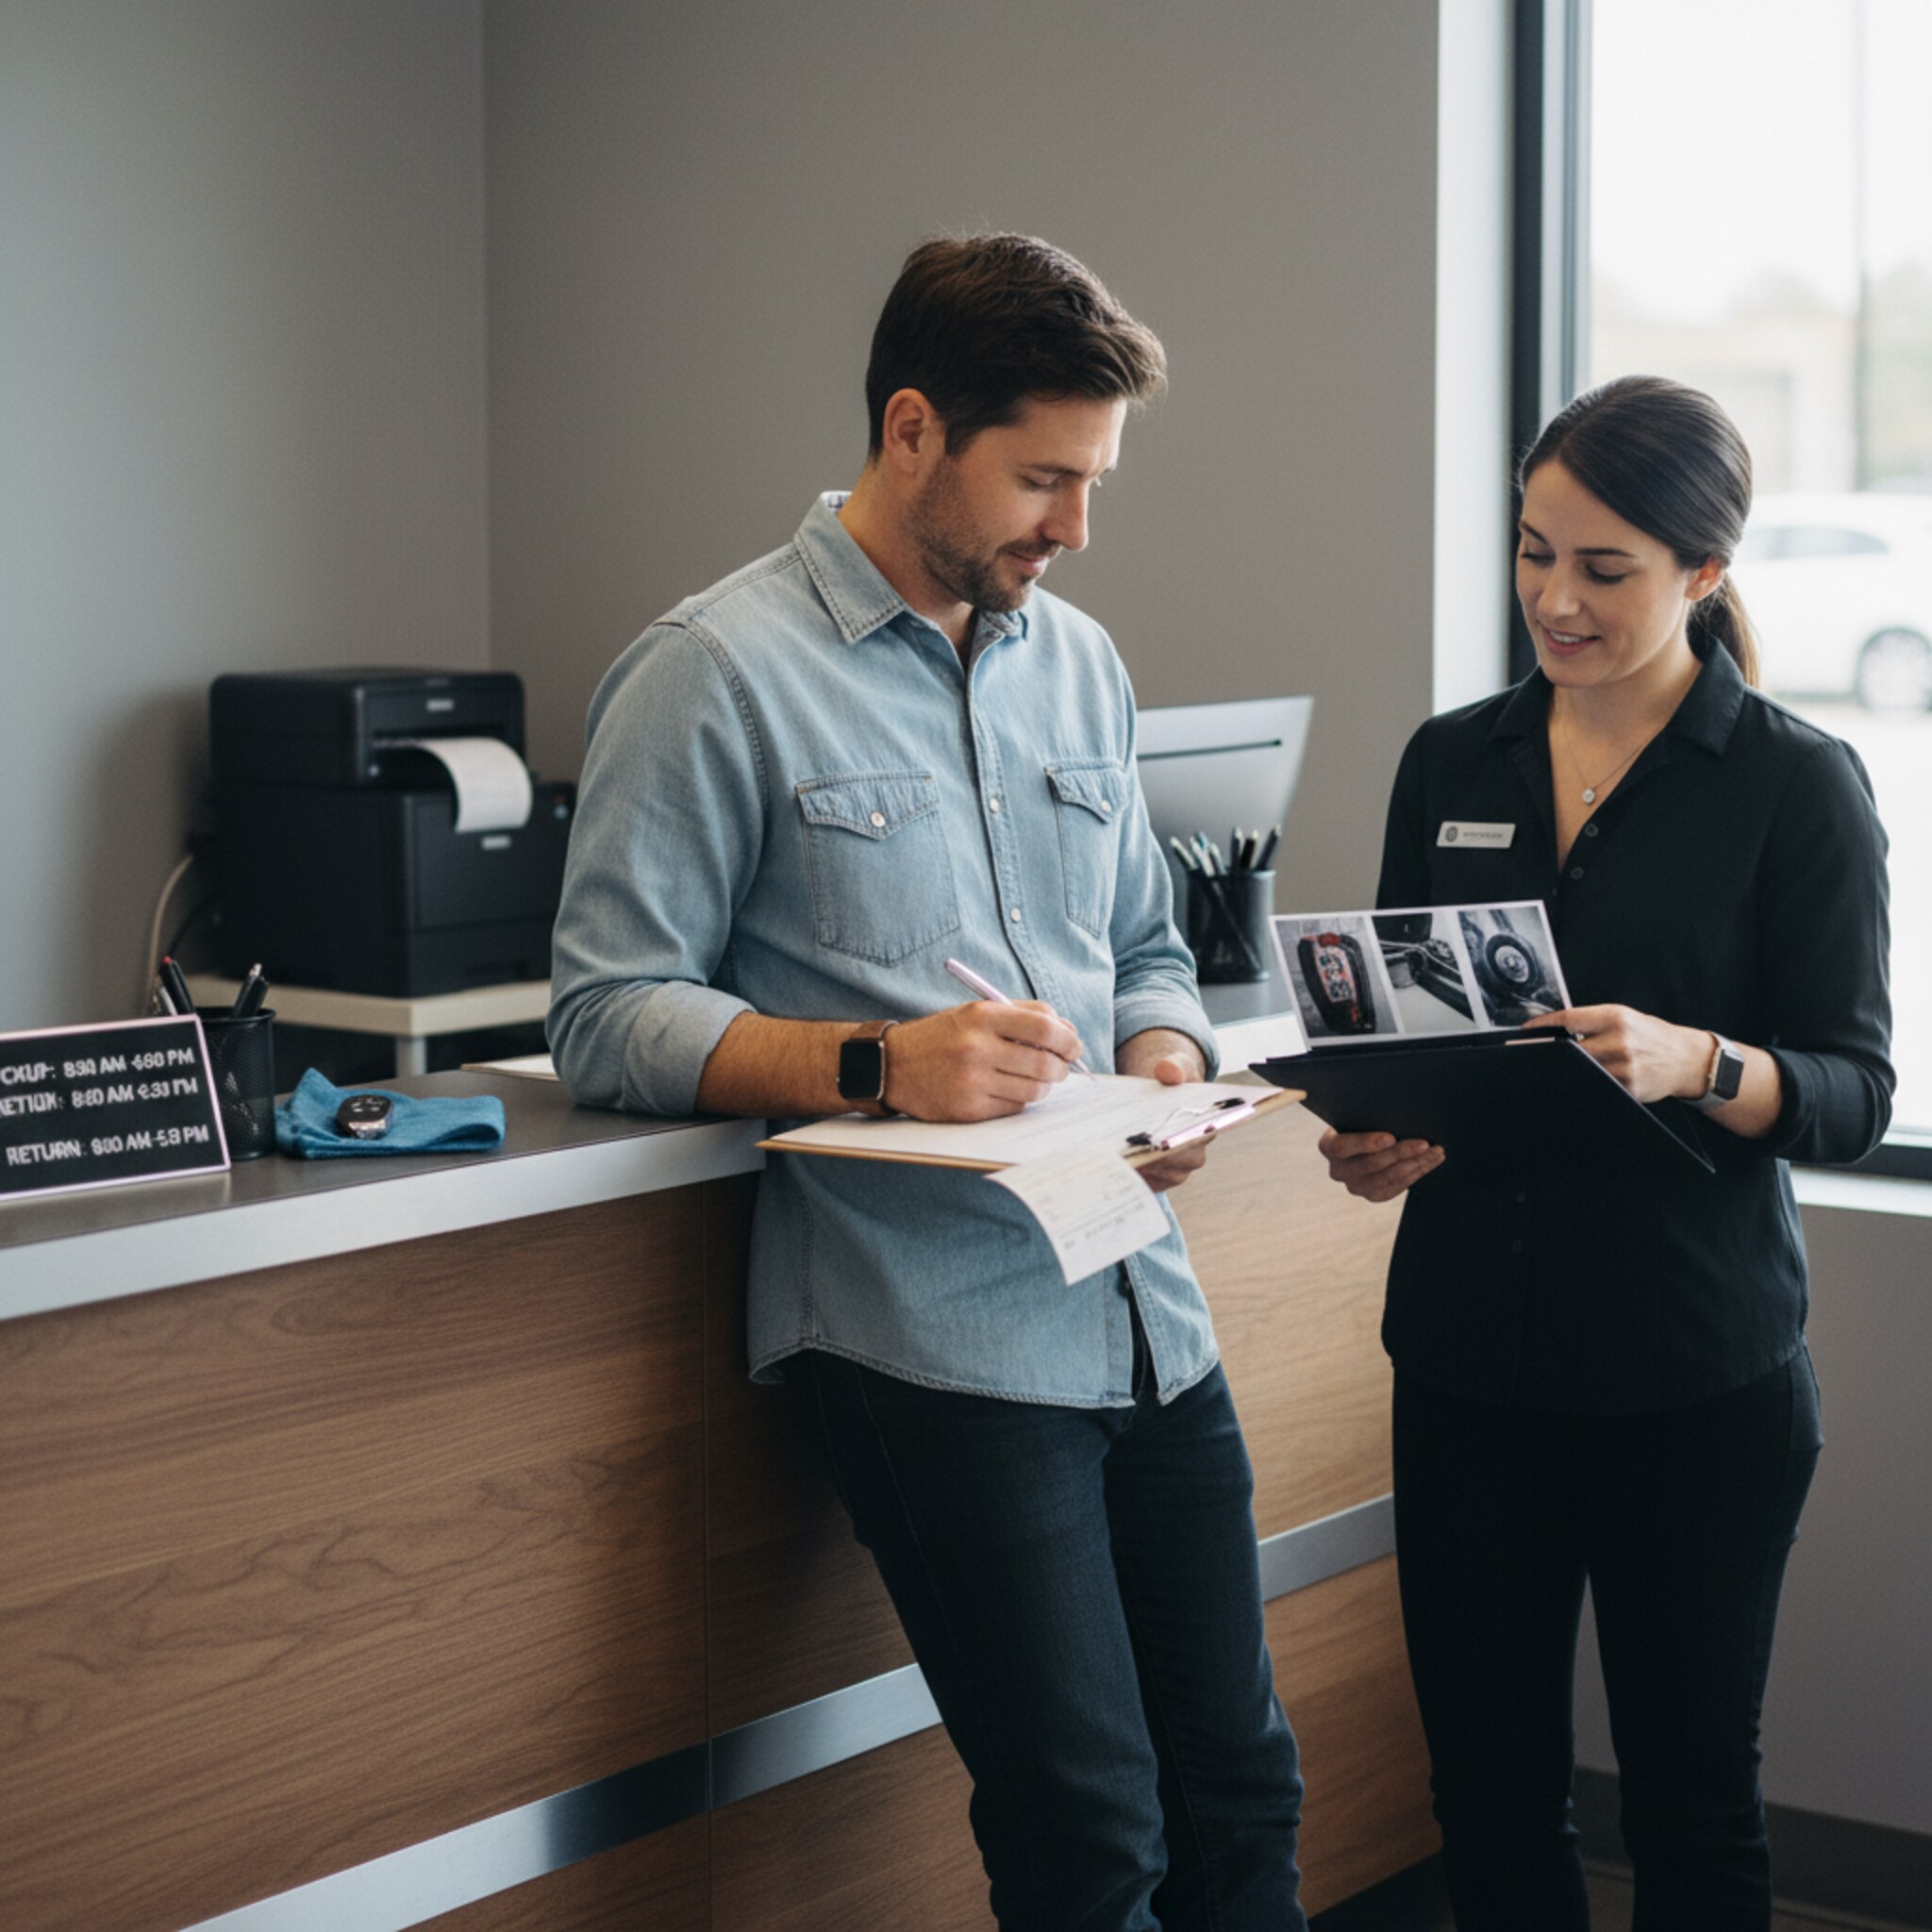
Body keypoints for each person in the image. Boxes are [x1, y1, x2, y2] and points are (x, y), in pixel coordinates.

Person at [549, 234, 1306, 1932]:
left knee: (1245, 1789)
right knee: (1091, 1834)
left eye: (1095, 481)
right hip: (925, 1340)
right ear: (911, 432)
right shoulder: (714, 671)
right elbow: (605, 1016)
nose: (1076, 526)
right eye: (1044, 477)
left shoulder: (1083, 663)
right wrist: (883, 1064)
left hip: (1140, 1309)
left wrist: (1164, 1069)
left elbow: (1149, 951)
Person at [1321, 375, 1893, 1931]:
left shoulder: (1793, 785)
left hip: (1692, 1385)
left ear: (1704, 573)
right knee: (1488, 1803)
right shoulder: (1452, 762)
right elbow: (1408, 1044)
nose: (1551, 601)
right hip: (1466, 1371)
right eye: (1531, 554)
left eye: (1602, 568)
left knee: (1694, 1809)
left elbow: (1854, 1092)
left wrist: (1700, 1063)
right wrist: (1380, 1143)